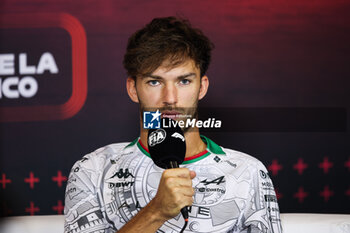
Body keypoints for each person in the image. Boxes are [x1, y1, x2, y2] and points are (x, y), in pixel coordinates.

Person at [64, 16, 283, 233]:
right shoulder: (93, 170)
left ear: (202, 87)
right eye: (155, 81)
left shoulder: (249, 172)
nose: (170, 98)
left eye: (184, 81)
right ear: (133, 89)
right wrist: (156, 212)